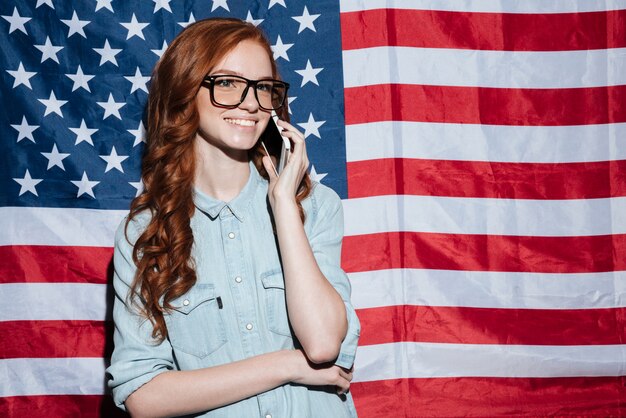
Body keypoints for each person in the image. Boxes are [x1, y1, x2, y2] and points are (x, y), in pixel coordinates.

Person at [106, 17, 360, 418]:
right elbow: (143, 395)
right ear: (186, 90)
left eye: (263, 87)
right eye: (226, 83)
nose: (250, 103)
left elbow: (324, 344)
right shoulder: (144, 232)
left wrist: (283, 208)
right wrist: (287, 365)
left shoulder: (315, 207)